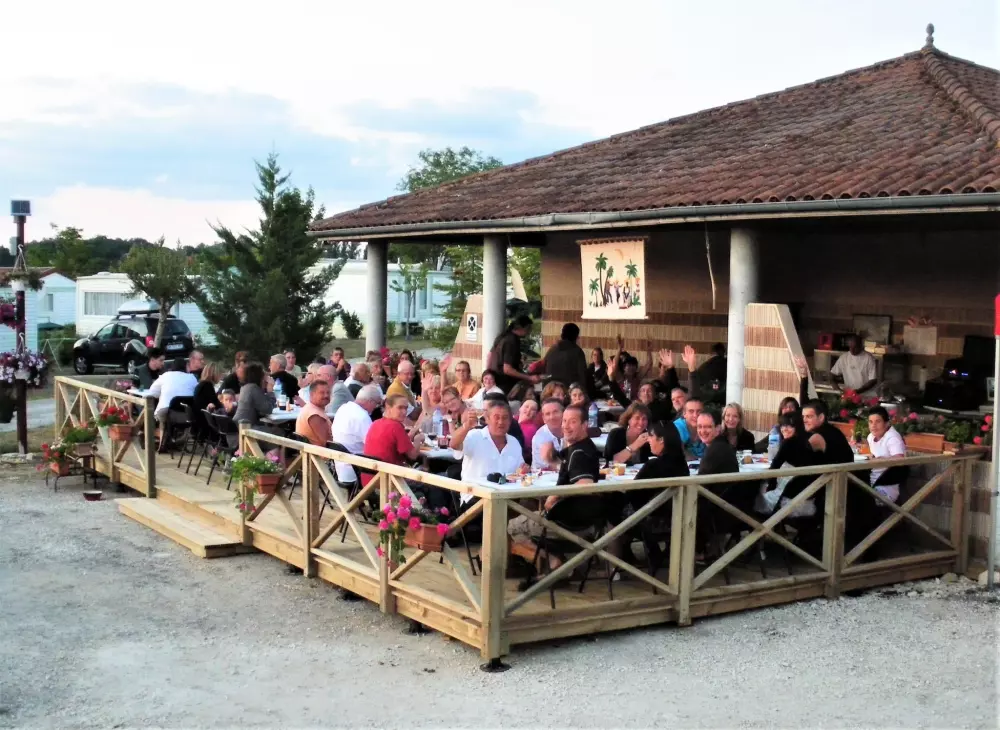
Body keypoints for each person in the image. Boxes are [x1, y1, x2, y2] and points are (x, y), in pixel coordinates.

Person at [508, 403, 603, 569]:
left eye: (572, 422)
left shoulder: (579, 452)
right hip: (584, 520)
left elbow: (585, 484)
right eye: (564, 421)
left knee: (512, 526)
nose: (566, 426)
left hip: (569, 523)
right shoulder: (582, 447)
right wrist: (552, 459)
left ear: (584, 425)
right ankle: (560, 565)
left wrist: (556, 495)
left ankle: (554, 561)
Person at [451, 400, 525, 506]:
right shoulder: (474, 436)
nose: (501, 422)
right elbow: (453, 444)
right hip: (476, 499)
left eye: (505, 418)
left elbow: (519, 471)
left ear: (510, 421)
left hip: (507, 498)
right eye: (496, 417)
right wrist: (466, 426)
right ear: (487, 419)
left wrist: (524, 470)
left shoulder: (514, 442)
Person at [360, 394, 425, 485]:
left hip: (368, 482)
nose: (404, 412)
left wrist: (412, 432)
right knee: (429, 479)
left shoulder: (376, 423)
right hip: (387, 484)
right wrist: (418, 439)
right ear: (388, 407)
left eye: (406, 408)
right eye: (400, 408)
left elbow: (394, 441)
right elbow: (413, 455)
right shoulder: (395, 426)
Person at [331, 383, 381, 484]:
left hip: (341, 469)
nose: (376, 407)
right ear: (370, 402)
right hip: (357, 472)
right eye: (377, 404)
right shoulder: (362, 416)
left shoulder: (343, 408)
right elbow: (374, 445)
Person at [147, 357, 198, 450]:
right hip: (185, 414)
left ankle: (162, 444)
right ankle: (177, 441)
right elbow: (196, 394)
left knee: (163, 420)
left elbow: (152, 392)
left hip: (166, 411)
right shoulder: (192, 378)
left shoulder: (165, 375)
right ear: (185, 366)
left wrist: (162, 394)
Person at [488, 315, 540, 395]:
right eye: (529, 329)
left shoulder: (503, 337)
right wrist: (529, 378)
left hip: (495, 379)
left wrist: (488, 374)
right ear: (524, 328)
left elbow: (489, 355)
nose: (530, 332)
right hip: (505, 383)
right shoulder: (512, 341)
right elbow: (507, 369)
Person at [866, 406, 907, 503]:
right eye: (871, 422)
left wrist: (878, 460)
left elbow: (900, 459)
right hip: (869, 481)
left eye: (878, 421)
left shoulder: (892, 437)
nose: (873, 425)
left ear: (886, 423)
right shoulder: (870, 437)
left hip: (885, 487)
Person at [543, 323, 589, 394]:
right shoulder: (577, 352)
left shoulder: (552, 349)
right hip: (566, 393)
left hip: (548, 391)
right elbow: (582, 376)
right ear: (575, 336)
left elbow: (543, 369)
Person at [234, 362, 277, 429]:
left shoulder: (245, 387)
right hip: (246, 428)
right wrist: (270, 392)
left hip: (240, 425)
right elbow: (268, 409)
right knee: (280, 432)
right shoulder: (253, 388)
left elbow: (261, 408)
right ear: (258, 376)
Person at [295, 379, 332, 446]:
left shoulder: (309, 408)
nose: (326, 395)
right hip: (319, 452)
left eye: (328, 392)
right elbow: (328, 443)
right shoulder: (315, 415)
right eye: (322, 393)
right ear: (312, 395)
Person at [532, 398, 565, 469]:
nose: (552, 417)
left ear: (564, 413)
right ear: (544, 419)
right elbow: (548, 466)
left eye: (555, 412)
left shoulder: (573, 430)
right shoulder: (539, 438)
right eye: (548, 414)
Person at [192, 361, 223, 430]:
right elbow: (217, 404)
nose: (220, 376)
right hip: (205, 421)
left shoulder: (202, 384)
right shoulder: (207, 385)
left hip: (199, 418)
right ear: (214, 374)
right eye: (219, 374)